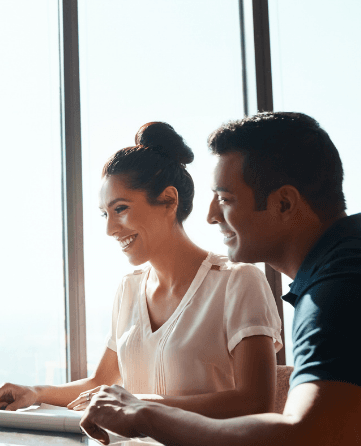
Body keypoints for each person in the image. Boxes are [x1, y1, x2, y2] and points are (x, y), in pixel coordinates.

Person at [81, 112, 361, 445]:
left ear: (284, 202)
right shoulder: (338, 268)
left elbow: (308, 435)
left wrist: (146, 413)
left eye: (226, 199)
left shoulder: (337, 290)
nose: (211, 215)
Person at [0, 122, 281, 419]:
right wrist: (35, 392)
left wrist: (139, 404)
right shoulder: (129, 289)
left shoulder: (238, 282)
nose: (110, 229)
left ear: (169, 200)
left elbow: (255, 403)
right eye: (105, 214)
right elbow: (101, 384)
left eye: (120, 209)